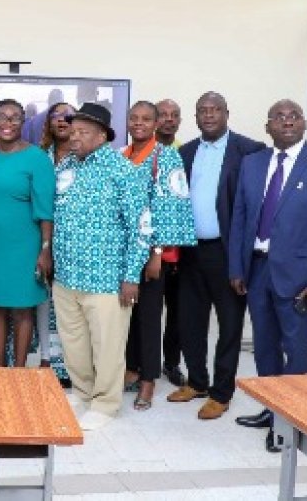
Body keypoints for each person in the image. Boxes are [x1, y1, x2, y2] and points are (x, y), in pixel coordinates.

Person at [229, 99, 307, 452]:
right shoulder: (252, 164)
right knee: (264, 348)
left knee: (295, 350)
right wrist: (237, 266)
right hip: (258, 269)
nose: (286, 121)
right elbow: (240, 219)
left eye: (293, 115)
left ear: (304, 123)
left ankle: (292, 422)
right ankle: (271, 409)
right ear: (268, 127)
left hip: (301, 277)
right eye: (278, 117)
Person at [51, 102, 149, 430]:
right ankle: (82, 391)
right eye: (72, 130)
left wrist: (131, 276)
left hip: (106, 278)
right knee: (73, 341)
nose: (74, 137)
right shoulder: (65, 166)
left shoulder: (122, 170)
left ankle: (106, 403)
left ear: (102, 136)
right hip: (67, 274)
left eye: (82, 132)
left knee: (107, 345)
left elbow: (141, 226)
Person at [168, 92, 265, 420]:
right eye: (202, 111)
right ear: (196, 116)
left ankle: (222, 392)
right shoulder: (186, 152)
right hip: (190, 251)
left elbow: (255, 208)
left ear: (227, 113)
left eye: (214, 110)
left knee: (229, 325)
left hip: (228, 252)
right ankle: (197, 381)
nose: (208, 116)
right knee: (189, 320)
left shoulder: (249, 151)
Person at [121, 101, 196, 411]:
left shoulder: (164, 157)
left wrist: (156, 253)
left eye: (146, 119)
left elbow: (170, 208)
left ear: (155, 124)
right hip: (126, 253)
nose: (139, 123)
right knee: (130, 314)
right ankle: (133, 368)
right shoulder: (123, 156)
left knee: (150, 316)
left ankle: (150, 378)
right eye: (134, 118)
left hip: (153, 253)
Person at [0, 99, 54, 367]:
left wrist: (45, 249)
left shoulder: (37, 158)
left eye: (15, 118)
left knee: (23, 309)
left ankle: (18, 369)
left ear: (23, 122)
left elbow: (46, 210)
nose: (8, 123)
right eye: (2, 117)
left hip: (25, 246)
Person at [37, 102, 75, 387]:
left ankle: (71, 365)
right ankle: (46, 359)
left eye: (68, 116)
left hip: (76, 242)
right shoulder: (39, 157)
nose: (61, 121)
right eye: (56, 116)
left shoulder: (84, 157)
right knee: (43, 302)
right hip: (40, 238)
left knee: (70, 306)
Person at [154, 98, 187, 387]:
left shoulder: (186, 153)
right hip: (151, 250)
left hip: (179, 249)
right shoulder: (141, 153)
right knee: (148, 312)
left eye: (173, 115)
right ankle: (144, 364)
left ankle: (172, 363)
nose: (168, 119)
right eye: (162, 115)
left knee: (177, 310)